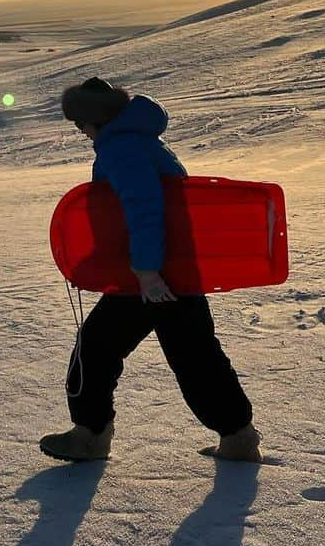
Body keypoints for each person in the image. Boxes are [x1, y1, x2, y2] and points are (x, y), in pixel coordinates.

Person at [39, 77, 262, 463]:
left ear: (97, 118)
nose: (82, 133)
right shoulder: (140, 140)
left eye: (82, 125)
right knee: (195, 356)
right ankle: (238, 436)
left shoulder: (122, 148)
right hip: (168, 271)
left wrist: (146, 272)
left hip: (151, 277)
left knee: (97, 349)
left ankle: (89, 436)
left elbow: (145, 212)